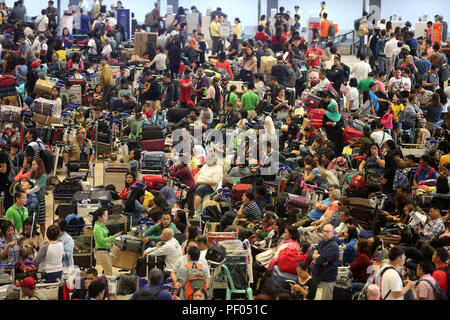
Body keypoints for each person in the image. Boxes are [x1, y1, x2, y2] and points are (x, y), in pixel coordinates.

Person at [311, 224, 339, 300]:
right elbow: (313, 254)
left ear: (333, 233)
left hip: (327, 279)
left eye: (327, 231)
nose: (325, 233)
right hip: (318, 277)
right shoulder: (321, 242)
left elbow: (321, 259)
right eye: (323, 231)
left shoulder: (333, 245)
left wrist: (317, 258)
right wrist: (317, 257)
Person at [92, 207, 122, 276]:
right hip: (101, 252)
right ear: (99, 217)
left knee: (107, 272)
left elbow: (107, 237)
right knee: (109, 273)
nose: (107, 218)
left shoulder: (102, 225)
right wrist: (113, 237)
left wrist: (114, 237)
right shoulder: (97, 227)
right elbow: (102, 240)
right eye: (105, 216)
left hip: (106, 251)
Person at [26, 158, 47, 237]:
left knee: (41, 221)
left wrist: (27, 191)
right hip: (31, 200)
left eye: (34, 165)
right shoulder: (32, 173)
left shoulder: (43, 176)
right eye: (32, 164)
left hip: (40, 200)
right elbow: (29, 183)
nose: (32, 166)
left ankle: (42, 237)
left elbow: (37, 188)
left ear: (39, 166)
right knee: (32, 220)